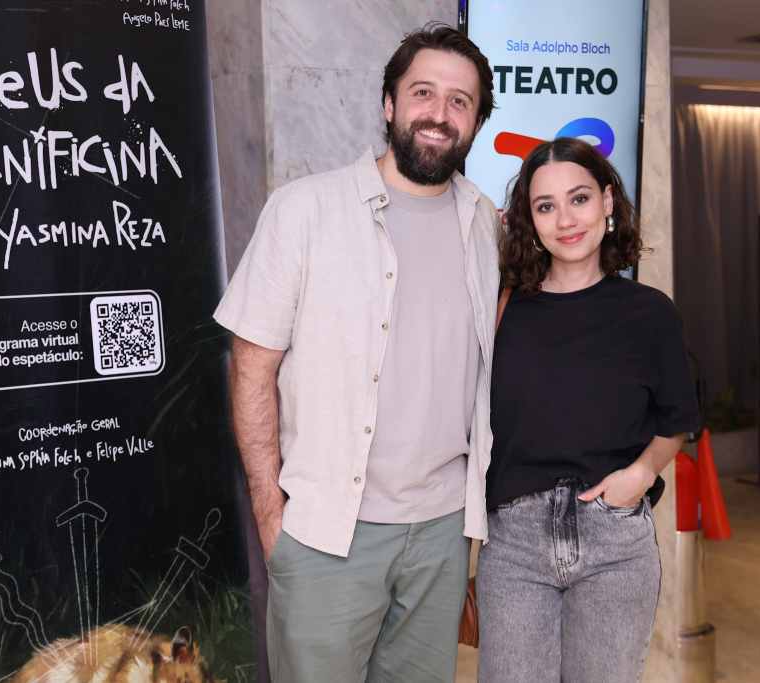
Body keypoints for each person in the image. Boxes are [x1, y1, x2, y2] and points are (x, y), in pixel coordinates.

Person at [213, 24, 499, 682]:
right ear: (389, 104)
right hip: (325, 535)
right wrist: (272, 518)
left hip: (442, 535)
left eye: (461, 101)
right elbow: (252, 367)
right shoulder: (303, 211)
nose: (440, 112)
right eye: (423, 92)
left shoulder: (488, 224)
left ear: (477, 121)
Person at [476, 137, 699, 683]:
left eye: (578, 199)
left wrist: (642, 473)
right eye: (545, 206)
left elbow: (678, 420)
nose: (565, 220)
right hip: (513, 546)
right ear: (529, 220)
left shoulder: (650, 313)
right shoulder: (501, 310)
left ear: (606, 201)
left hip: (614, 540)